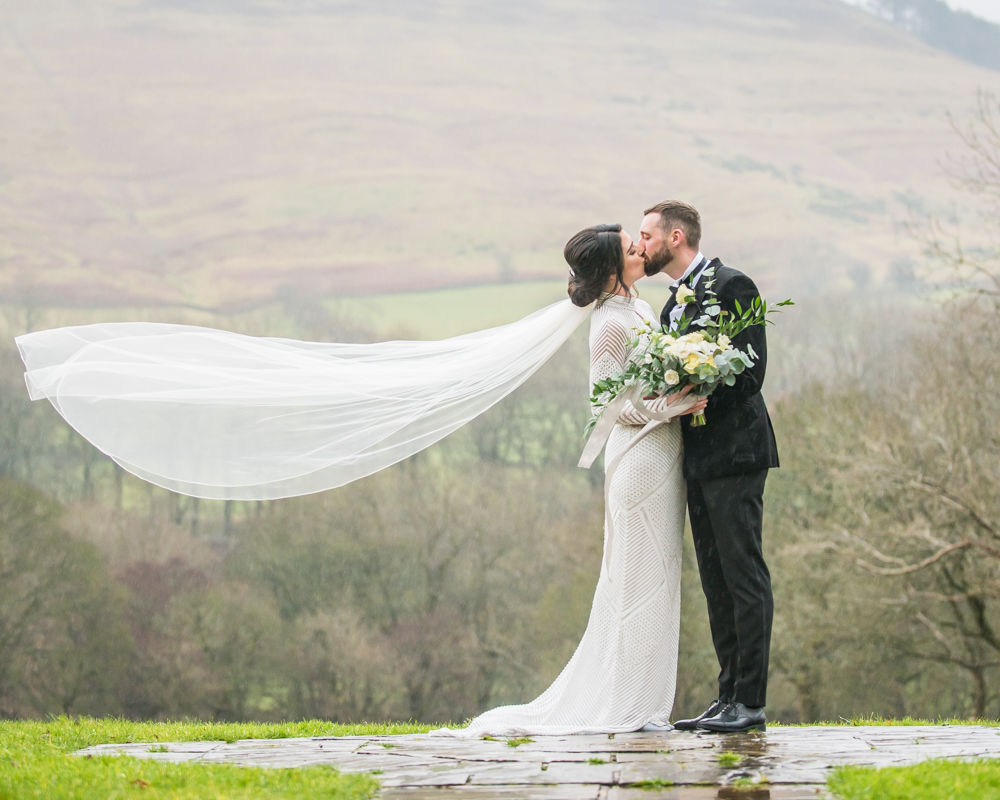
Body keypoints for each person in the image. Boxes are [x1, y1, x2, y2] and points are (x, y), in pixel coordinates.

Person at [433, 224, 705, 737]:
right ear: (609, 271)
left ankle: (646, 707)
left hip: (665, 454)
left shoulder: (640, 308)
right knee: (635, 588)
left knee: (662, 583)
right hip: (640, 460)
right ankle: (624, 709)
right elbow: (608, 406)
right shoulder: (608, 324)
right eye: (630, 248)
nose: (640, 249)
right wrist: (674, 406)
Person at [637, 201, 778, 733]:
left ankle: (752, 701)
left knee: (744, 574)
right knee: (715, 580)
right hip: (695, 458)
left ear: (676, 237)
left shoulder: (734, 285)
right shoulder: (672, 305)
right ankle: (727, 698)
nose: (642, 245)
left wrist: (697, 391)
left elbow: (751, 372)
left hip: (737, 454)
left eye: (648, 236)